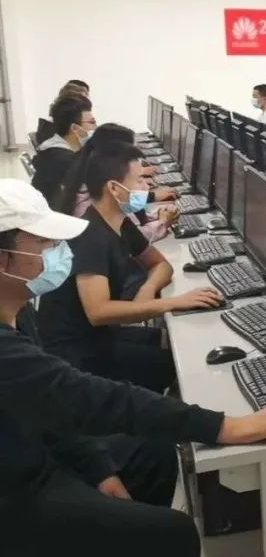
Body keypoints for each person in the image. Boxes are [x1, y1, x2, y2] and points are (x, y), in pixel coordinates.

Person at [0, 178, 266, 557]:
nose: (57, 253)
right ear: (3, 259)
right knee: (173, 538)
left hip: (32, 456)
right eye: (45, 244)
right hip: (14, 504)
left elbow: (52, 409)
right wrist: (223, 425)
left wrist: (100, 469)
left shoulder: (15, 308)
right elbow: (87, 398)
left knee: (153, 454)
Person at [37, 142, 223, 392]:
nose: (147, 187)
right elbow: (98, 311)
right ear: (114, 188)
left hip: (96, 334)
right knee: (172, 365)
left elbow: (161, 265)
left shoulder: (119, 223)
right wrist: (174, 302)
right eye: (139, 180)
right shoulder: (91, 236)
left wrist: (147, 291)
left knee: (165, 340)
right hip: (74, 353)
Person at [58, 124, 179, 243]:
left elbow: (128, 213)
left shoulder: (94, 178)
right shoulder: (89, 200)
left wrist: (157, 215)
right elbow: (130, 240)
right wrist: (162, 223)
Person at [32, 96, 95, 207]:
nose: (95, 127)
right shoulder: (62, 159)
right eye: (92, 122)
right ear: (75, 128)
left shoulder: (54, 149)